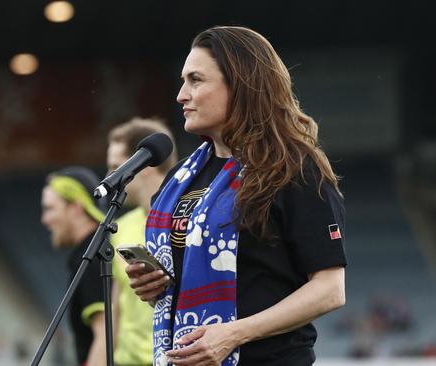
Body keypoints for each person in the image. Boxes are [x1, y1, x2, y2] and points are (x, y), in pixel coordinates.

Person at [126, 26, 347, 366]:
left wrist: (233, 333)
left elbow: (330, 289)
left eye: (196, 80)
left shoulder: (293, 169)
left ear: (240, 85)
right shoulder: (181, 178)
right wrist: (154, 285)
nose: (181, 95)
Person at [106, 117, 178, 366]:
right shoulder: (120, 228)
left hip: (173, 358)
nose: (109, 177)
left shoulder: (187, 219)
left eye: (116, 167)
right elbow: (116, 306)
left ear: (145, 163)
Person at [40, 167, 107, 366]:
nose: (44, 219)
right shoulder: (102, 246)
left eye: (50, 208)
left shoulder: (92, 258)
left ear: (77, 207)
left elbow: (105, 335)